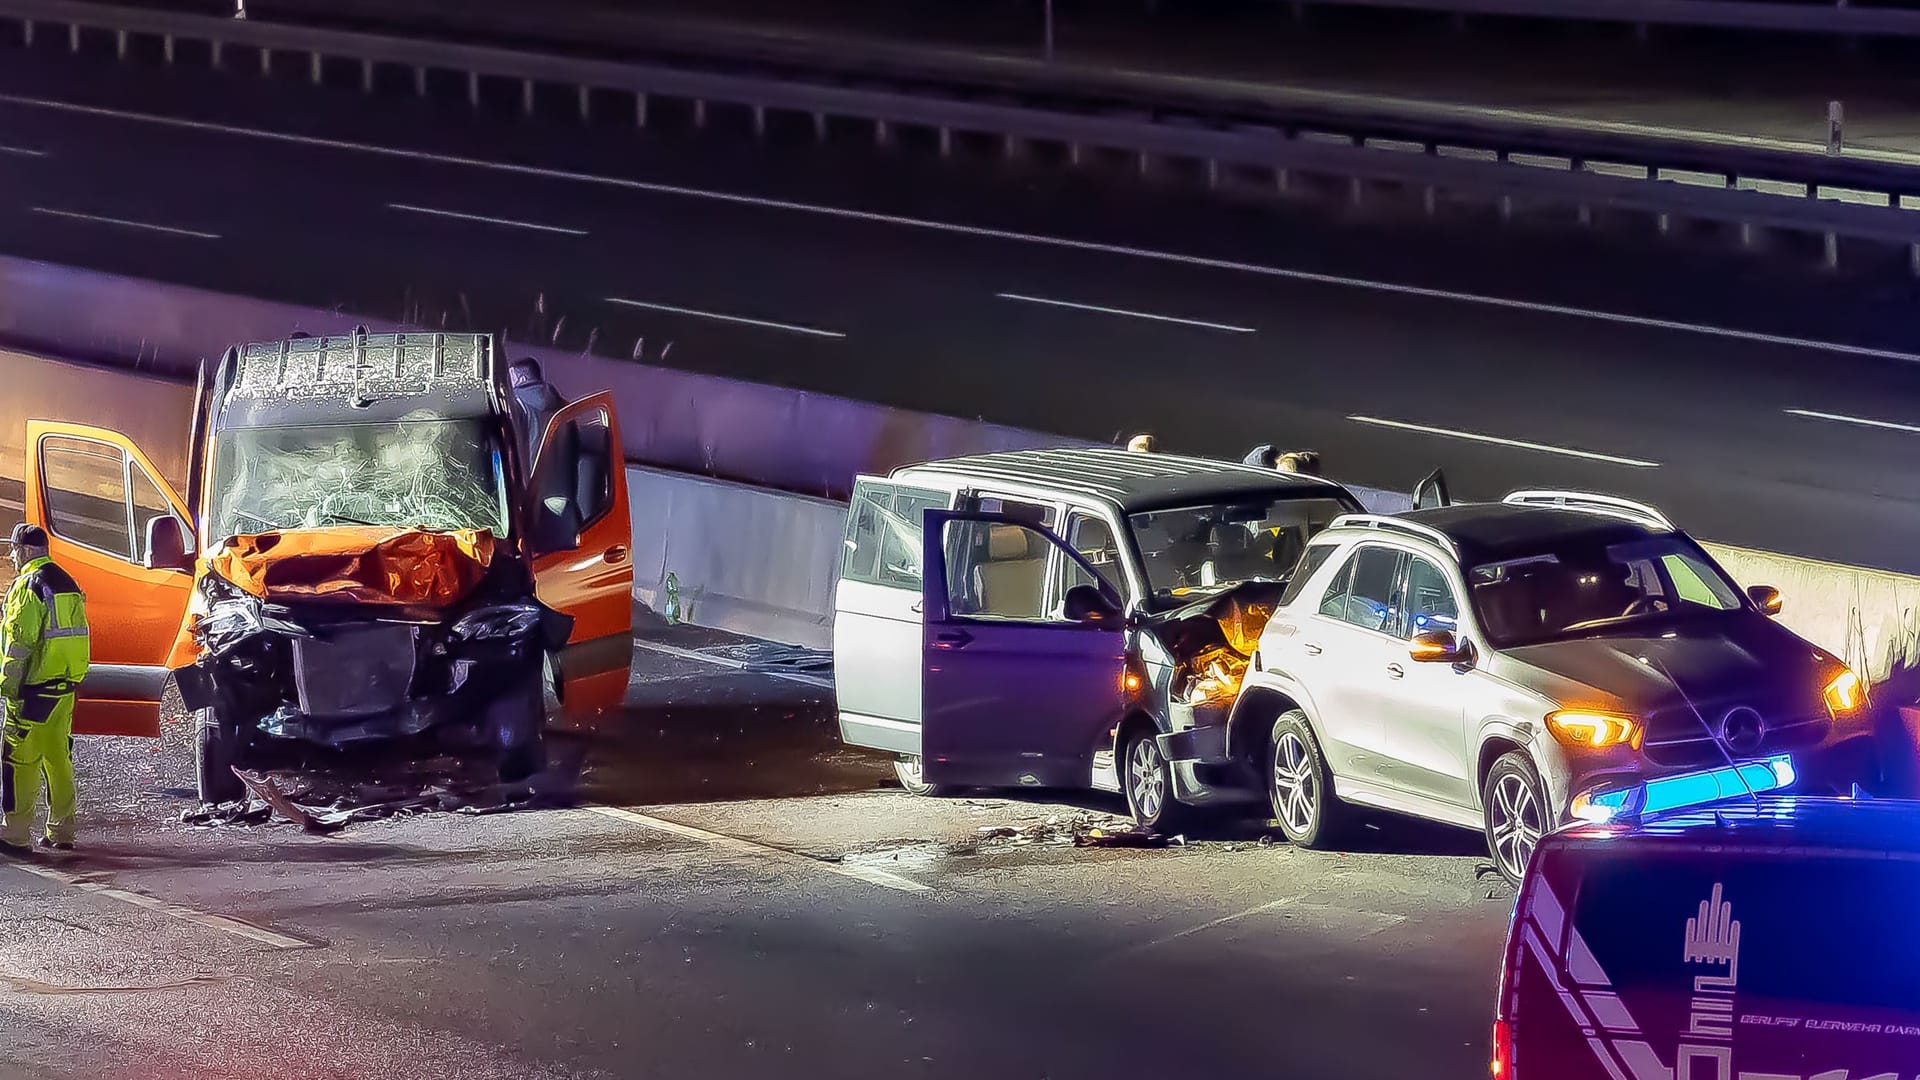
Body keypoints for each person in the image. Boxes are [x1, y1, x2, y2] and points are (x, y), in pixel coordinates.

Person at [0, 524, 89, 854]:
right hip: (64, 688)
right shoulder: (67, 582)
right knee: (58, 759)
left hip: (31, 690)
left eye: (12, 550)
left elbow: (18, 642)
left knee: (18, 761)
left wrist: (8, 687)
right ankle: (62, 830)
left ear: (22, 549)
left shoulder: (27, 585)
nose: (11, 556)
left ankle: (15, 833)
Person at [509, 357, 567, 458]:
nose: (509, 383)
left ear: (522, 379)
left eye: (511, 378)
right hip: (560, 469)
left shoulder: (515, 403)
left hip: (527, 470)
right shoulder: (563, 404)